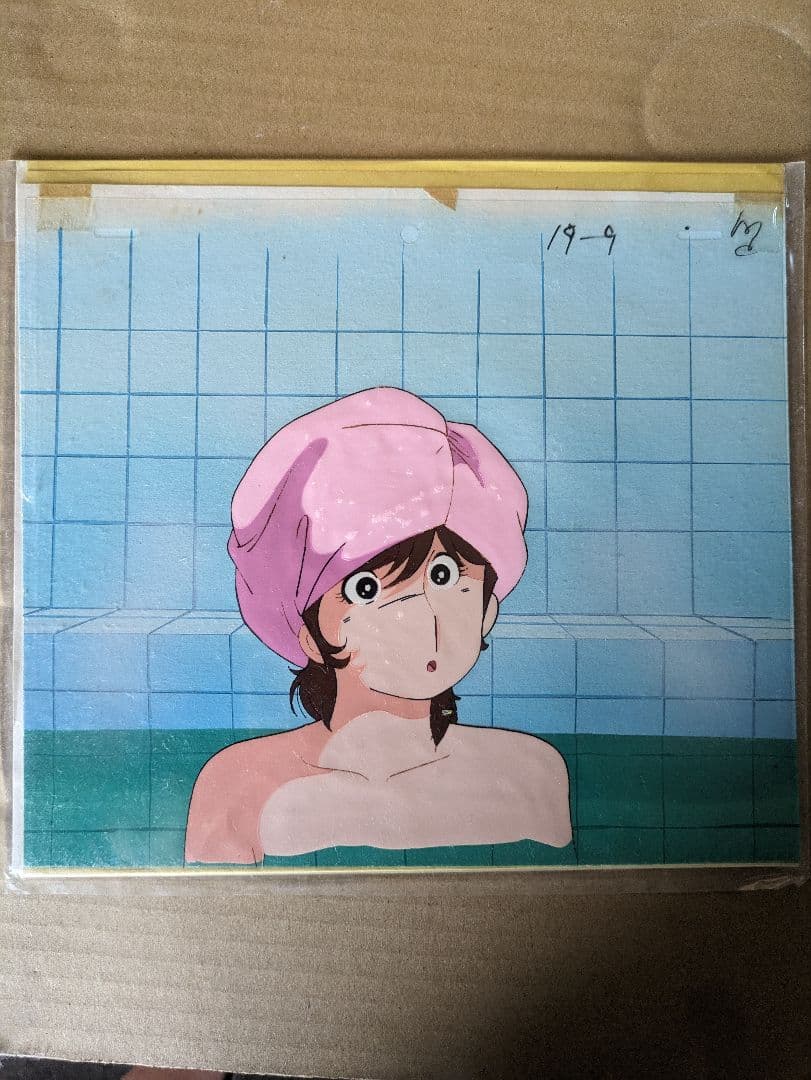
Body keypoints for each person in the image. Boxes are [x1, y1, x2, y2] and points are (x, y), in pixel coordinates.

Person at [184, 387, 571, 864]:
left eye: (445, 576)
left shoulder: (530, 775)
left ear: (486, 611)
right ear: (312, 636)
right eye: (365, 589)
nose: (420, 614)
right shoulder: (239, 784)